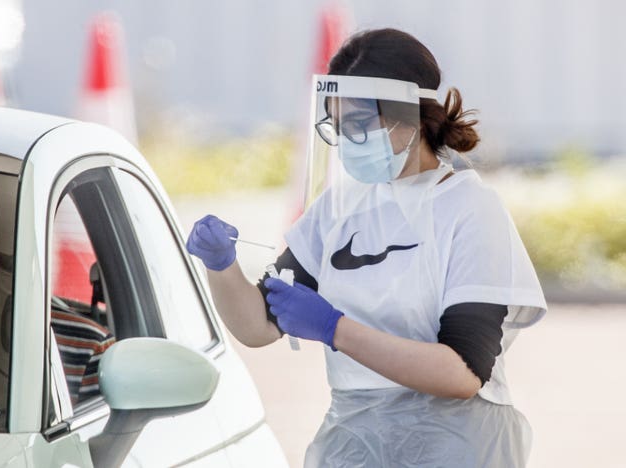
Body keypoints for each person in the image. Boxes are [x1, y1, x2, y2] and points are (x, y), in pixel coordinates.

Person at [186, 28, 546, 468]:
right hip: (354, 443)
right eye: (338, 128)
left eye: (360, 125)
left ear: (411, 115)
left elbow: (462, 372)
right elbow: (259, 326)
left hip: (458, 445)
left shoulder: (469, 209)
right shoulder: (339, 207)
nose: (348, 143)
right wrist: (223, 267)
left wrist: (335, 329)